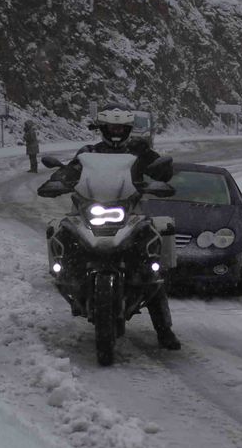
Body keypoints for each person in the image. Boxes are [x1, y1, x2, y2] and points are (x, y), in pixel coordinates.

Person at [38, 104, 180, 350]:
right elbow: (71, 170)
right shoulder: (88, 152)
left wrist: (162, 173)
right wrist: (58, 180)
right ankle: (67, 275)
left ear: (127, 129)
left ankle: (164, 330)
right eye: (111, 127)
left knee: (152, 270)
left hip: (130, 213)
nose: (116, 132)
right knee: (63, 230)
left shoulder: (140, 151)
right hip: (88, 211)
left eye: (121, 128)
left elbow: (162, 172)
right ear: (102, 128)